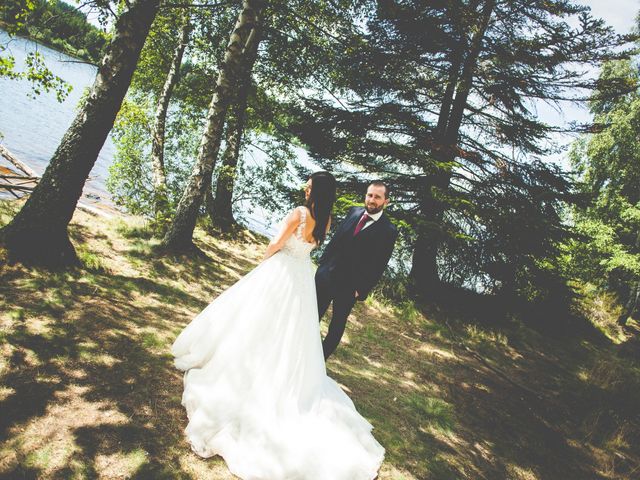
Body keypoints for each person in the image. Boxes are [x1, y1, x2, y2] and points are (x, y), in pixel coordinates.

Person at [171, 171, 384, 480]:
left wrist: (266, 258)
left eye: (309, 184)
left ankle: (244, 369)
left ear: (314, 190)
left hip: (282, 272)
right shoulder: (324, 220)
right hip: (301, 279)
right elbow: (318, 248)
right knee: (289, 330)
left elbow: (275, 244)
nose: (306, 186)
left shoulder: (299, 212)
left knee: (256, 320)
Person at [316, 181, 398, 359]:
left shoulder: (388, 230)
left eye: (377, 197)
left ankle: (319, 360)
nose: (372, 200)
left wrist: (360, 290)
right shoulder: (354, 211)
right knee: (313, 316)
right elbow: (336, 240)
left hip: (349, 286)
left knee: (336, 325)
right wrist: (322, 265)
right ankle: (302, 352)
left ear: (386, 201)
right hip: (327, 276)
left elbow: (379, 264)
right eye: (370, 195)